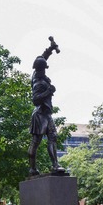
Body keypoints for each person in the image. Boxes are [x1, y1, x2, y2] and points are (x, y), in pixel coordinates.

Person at [28, 38, 65, 175]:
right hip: (40, 114)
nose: (45, 70)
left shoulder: (36, 73)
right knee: (36, 142)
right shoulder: (38, 83)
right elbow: (35, 100)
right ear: (41, 69)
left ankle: (55, 164)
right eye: (44, 68)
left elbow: (42, 58)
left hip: (47, 114)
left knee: (53, 137)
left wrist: (50, 49)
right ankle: (32, 168)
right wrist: (48, 91)